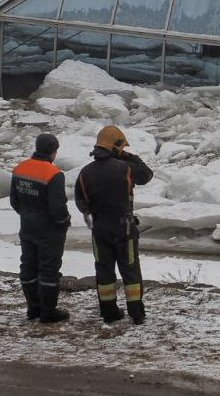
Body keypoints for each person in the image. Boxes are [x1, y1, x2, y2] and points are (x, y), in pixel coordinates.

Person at [75, 125, 153, 324]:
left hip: (99, 228)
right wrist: (125, 156)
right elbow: (146, 175)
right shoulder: (125, 168)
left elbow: (81, 201)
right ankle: (136, 313)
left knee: (104, 269)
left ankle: (109, 312)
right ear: (116, 146)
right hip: (123, 228)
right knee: (130, 269)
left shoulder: (85, 172)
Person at [9, 132, 71, 323]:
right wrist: (64, 222)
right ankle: (48, 311)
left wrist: (27, 214)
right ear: (54, 151)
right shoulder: (54, 174)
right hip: (48, 229)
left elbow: (14, 201)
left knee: (28, 264)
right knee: (49, 268)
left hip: (27, 225)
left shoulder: (20, 169)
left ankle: (33, 308)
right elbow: (57, 208)